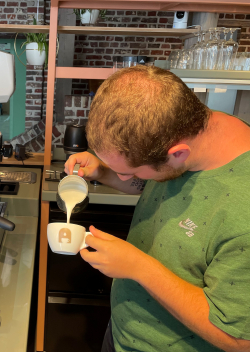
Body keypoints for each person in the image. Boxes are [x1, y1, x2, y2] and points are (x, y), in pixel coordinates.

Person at [64, 65, 250, 352]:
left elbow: (239, 339)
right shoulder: (196, 126)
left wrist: (139, 268)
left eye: (132, 171)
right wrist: (106, 172)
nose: (126, 178)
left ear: (177, 154)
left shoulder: (243, 212)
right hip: (123, 331)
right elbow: (158, 184)